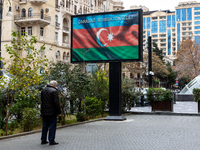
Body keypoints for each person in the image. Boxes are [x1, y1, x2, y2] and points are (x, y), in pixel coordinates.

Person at [41, 80, 61, 145]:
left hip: (44, 111)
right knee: (52, 126)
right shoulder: (54, 91)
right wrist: (59, 112)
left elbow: (42, 100)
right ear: (54, 85)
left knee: (45, 125)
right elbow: (56, 102)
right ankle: (51, 140)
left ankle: (43, 140)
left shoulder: (43, 90)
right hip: (52, 112)